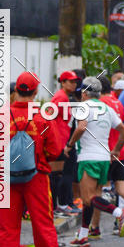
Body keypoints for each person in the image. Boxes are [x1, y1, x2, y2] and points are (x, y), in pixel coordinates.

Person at [0, 72, 74, 247]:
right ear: (36, 91)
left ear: (16, 90)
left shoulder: (2, 115)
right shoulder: (42, 116)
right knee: (43, 225)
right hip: (37, 177)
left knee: (7, 226)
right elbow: (55, 150)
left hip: (8, 178)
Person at [66, 77, 124, 247]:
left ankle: (119, 212)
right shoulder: (107, 108)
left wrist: (69, 145)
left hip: (88, 157)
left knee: (88, 198)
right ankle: (83, 236)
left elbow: (81, 128)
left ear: (84, 93)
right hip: (104, 158)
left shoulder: (83, 107)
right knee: (91, 199)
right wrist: (115, 150)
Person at [90, 76, 124, 238]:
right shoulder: (117, 102)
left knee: (96, 191)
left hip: (106, 153)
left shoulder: (101, 104)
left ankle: (95, 228)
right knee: (123, 189)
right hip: (121, 152)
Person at [50, 71, 81, 215]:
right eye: (71, 81)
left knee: (60, 175)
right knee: (58, 175)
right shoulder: (60, 98)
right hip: (60, 143)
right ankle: (58, 206)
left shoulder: (65, 97)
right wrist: (61, 144)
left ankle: (58, 206)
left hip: (63, 142)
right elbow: (50, 120)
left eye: (75, 81)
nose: (74, 84)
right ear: (63, 82)